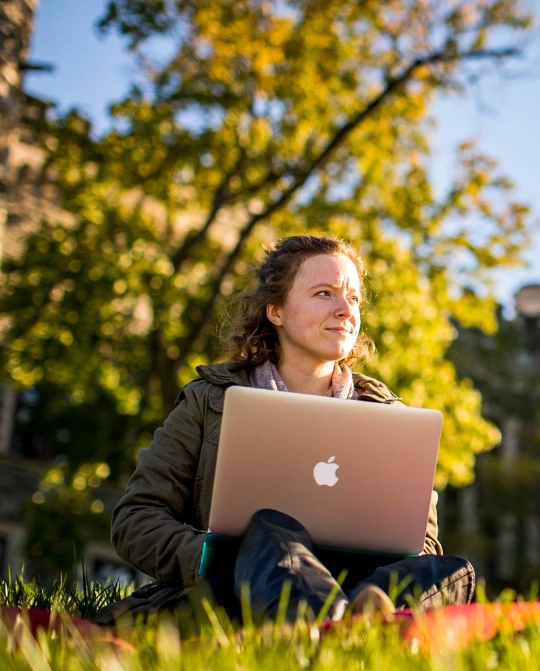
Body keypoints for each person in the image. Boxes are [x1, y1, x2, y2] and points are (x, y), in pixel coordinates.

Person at [94, 235, 475, 625]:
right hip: (236, 586)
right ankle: (336, 628)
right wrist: (230, 557)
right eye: (325, 293)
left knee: (451, 569)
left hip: (354, 581)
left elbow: (422, 543)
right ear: (275, 311)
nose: (346, 310)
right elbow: (136, 520)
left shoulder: (393, 419)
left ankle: (341, 619)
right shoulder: (209, 400)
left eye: (354, 298)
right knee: (272, 528)